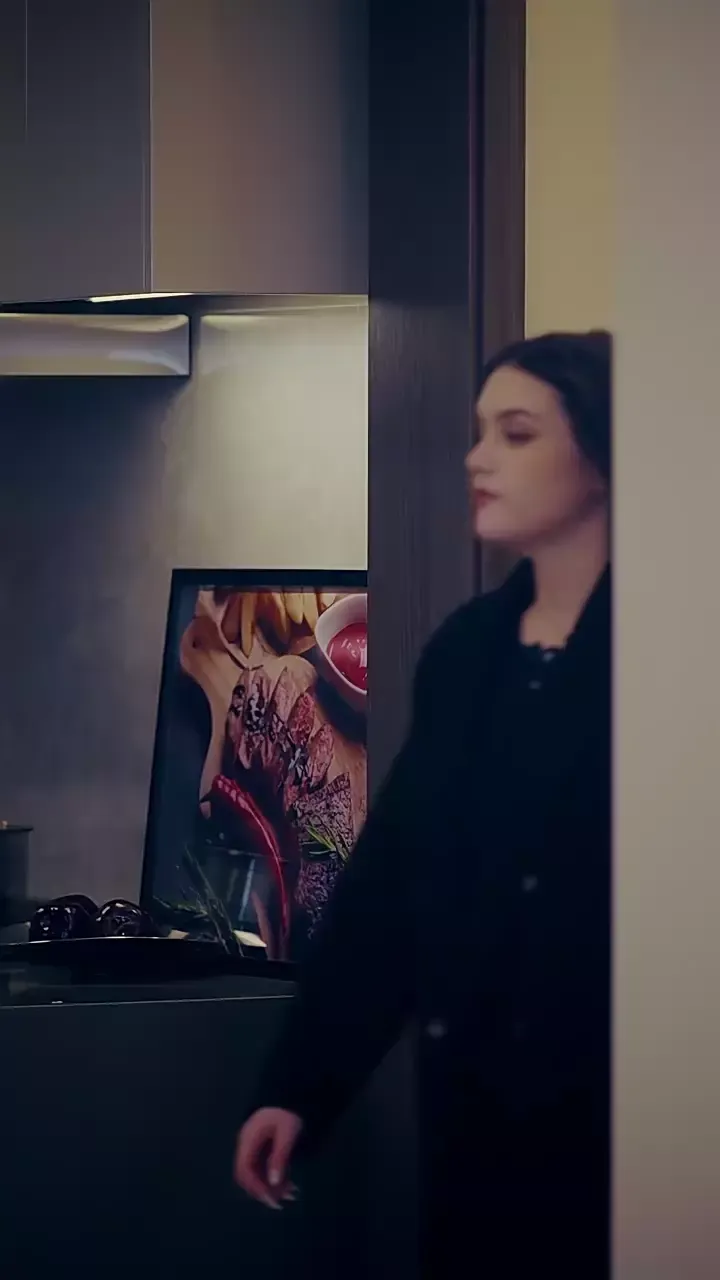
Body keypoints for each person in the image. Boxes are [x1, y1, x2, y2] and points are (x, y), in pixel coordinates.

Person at [235, 331, 612, 1278]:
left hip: (627, 1131)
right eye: (479, 431)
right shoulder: (470, 652)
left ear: (606, 452)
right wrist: (300, 1086)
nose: (478, 458)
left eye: (516, 433)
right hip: (475, 1130)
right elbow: (392, 888)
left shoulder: (675, 646)